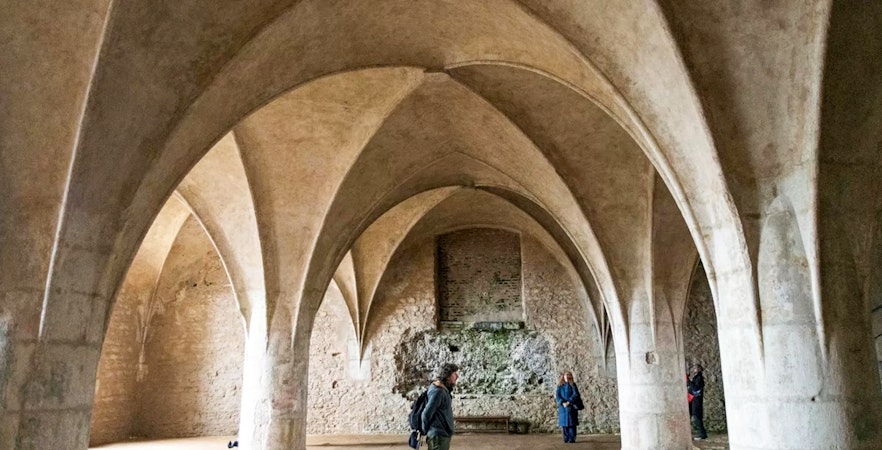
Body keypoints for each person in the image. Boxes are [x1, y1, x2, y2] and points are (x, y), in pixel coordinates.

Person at [422, 362, 459, 450]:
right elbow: (426, 413)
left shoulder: (442, 389)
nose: (457, 376)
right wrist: (427, 431)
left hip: (441, 434)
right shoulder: (438, 392)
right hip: (438, 436)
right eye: (454, 374)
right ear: (448, 375)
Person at [555, 370, 582, 443]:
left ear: (570, 376)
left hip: (571, 407)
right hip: (563, 408)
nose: (567, 376)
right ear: (563, 376)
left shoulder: (573, 385)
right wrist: (562, 402)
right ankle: (566, 438)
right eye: (565, 375)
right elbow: (557, 395)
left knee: (572, 423)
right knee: (564, 424)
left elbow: (576, 394)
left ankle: (572, 438)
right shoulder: (560, 386)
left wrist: (569, 401)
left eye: (568, 375)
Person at [688, 363, 707, 441]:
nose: (693, 369)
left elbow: (696, 388)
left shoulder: (699, 378)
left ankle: (702, 434)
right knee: (694, 415)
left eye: (695, 368)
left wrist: (689, 382)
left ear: (698, 369)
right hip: (694, 399)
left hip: (697, 399)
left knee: (696, 416)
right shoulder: (696, 377)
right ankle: (701, 433)